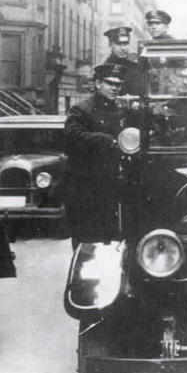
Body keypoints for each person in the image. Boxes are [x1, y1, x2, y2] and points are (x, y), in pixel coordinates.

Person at [63, 64, 127, 249]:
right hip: (84, 185)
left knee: (110, 232)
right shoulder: (81, 110)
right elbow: (73, 136)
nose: (115, 88)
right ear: (98, 83)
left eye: (118, 84)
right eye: (110, 83)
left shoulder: (121, 111)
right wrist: (106, 140)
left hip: (109, 181)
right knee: (86, 236)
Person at [103, 26, 140, 96]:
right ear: (110, 44)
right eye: (118, 44)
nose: (123, 48)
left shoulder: (136, 61)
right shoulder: (106, 68)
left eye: (126, 43)